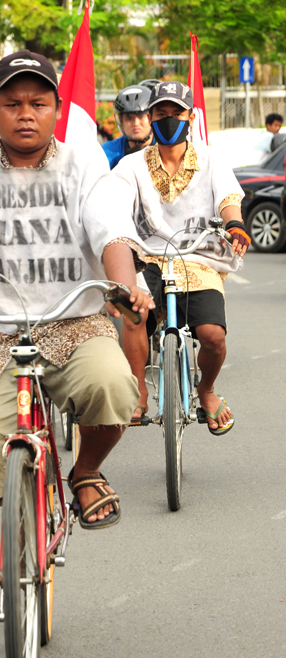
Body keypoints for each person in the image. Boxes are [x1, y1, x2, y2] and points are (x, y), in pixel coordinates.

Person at [0, 49, 153, 620]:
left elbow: (109, 228)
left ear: (55, 108)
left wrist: (122, 286)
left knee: (114, 385)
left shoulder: (84, 164)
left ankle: (86, 472)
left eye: (38, 102)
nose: (25, 114)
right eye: (12, 103)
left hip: (73, 318)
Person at [94, 81, 250, 432]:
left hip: (199, 258)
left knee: (212, 336)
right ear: (150, 117)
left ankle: (206, 390)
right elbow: (114, 207)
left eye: (176, 113)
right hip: (147, 257)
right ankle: (138, 392)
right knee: (134, 313)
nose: (168, 120)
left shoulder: (211, 160)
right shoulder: (130, 166)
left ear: (190, 116)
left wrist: (235, 225)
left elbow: (228, 198)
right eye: (160, 114)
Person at [102, 84, 153, 169]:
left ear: (151, 117)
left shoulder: (165, 146)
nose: (136, 123)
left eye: (141, 116)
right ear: (120, 121)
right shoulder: (110, 151)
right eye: (129, 118)